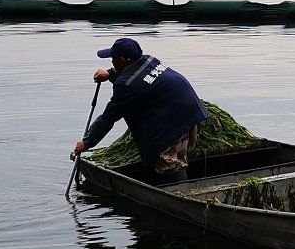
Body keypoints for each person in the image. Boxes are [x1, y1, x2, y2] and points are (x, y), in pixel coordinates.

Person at [72, 36, 207, 183]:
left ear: (122, 60)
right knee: (179, 157)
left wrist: (86, 143)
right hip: (193, 114)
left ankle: (180, 196)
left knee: (169, 165)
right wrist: (111, 74)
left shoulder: (126, 85)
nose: (111, 61)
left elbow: (108, 118)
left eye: (113, 58)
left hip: (172, 125)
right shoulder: (149, 60)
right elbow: (140, 78)